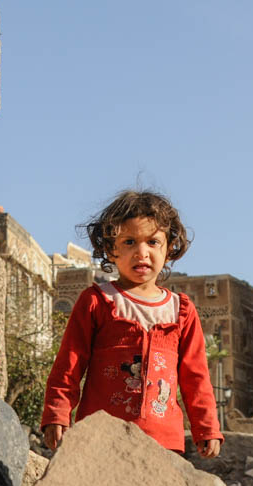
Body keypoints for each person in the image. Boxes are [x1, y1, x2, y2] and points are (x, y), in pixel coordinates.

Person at [41, 190, 223, 458]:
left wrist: (207, 427)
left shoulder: (181, 311)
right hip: (100, 439)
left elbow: (196, 377)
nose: (142, 253)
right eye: (129, 242)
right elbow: (69, 363)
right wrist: (57, 413)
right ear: (111, 249)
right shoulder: (97, 301)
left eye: (152, 242)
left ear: (169, 248)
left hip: (164, 444)